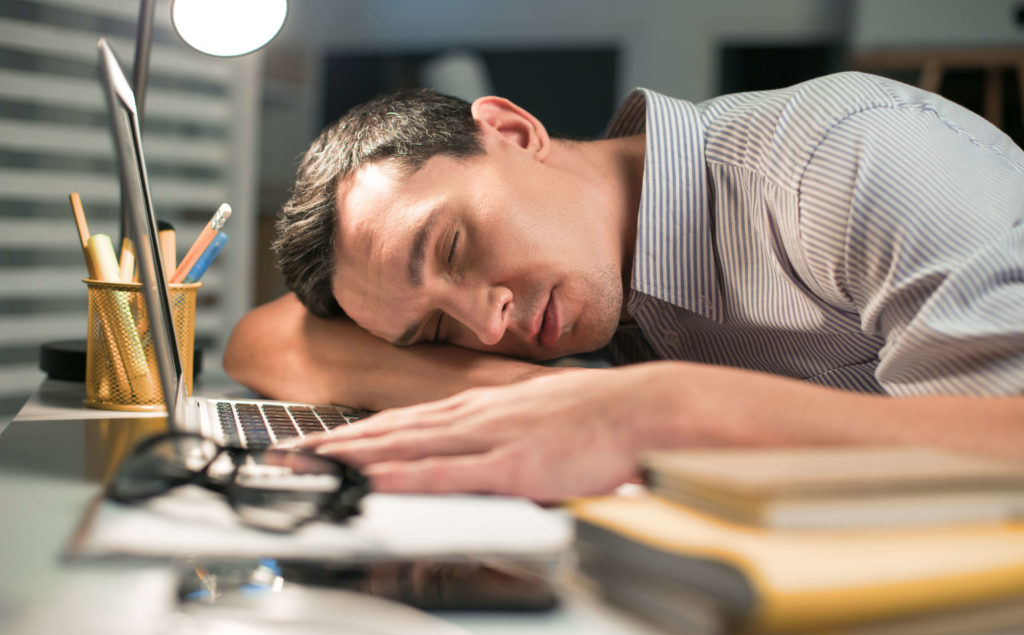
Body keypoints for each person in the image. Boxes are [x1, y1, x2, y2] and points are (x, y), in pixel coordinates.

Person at [225, 71, 1024, 502]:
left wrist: (658, 411)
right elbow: (263, 336)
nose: (486, 317)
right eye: (437, 332)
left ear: (511, 131)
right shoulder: (584, 283)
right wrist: (518, 393)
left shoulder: (845, 159)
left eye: (455, 245)